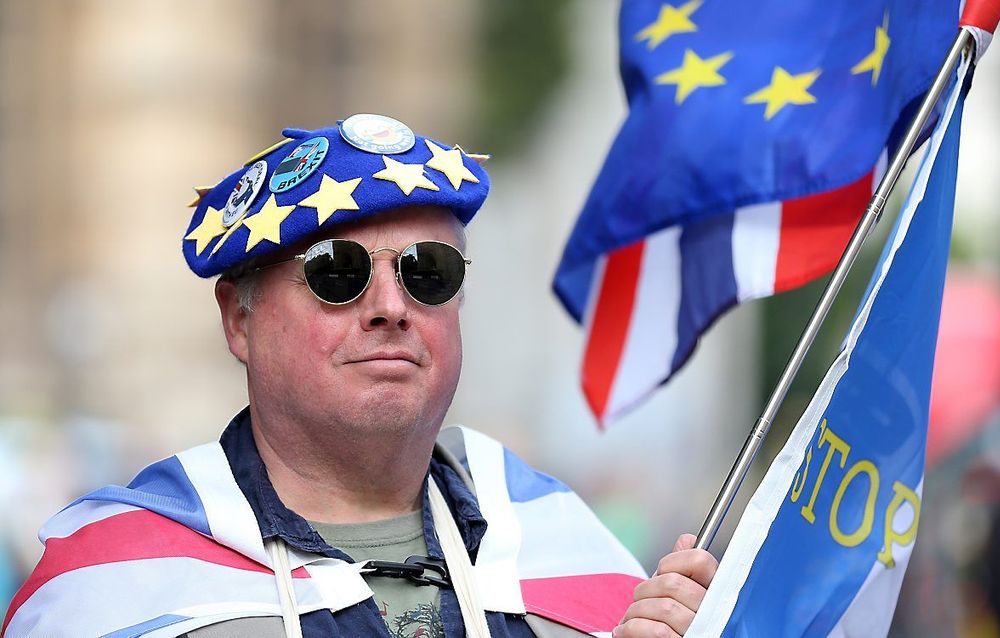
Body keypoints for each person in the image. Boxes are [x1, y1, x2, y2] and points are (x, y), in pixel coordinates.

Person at [3, 115, 717, 638]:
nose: (389, 308)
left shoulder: (570, 550)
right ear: (239, 320)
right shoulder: (113, 585)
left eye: (427, 273)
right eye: (336, 273)